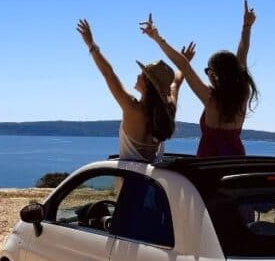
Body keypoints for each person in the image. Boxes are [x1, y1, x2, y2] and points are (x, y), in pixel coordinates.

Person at [140, 1, 258, 157]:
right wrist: (247, 27)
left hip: (209, 159)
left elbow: (183, 65)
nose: (207, 74)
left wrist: (157, 38)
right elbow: (242, 53)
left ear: (215, 74)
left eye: (208, 70)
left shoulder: (210, 97)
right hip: (235, 159)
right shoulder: (243, 93)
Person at [76, 19, 193, 163]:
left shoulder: (133, 108)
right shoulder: (169, 108)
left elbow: (108, 74)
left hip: (130, 181)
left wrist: (91, 45)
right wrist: (184, 62)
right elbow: (176, 82)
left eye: (142, 74)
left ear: (147, 84)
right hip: (153, 181)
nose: (138, 75)